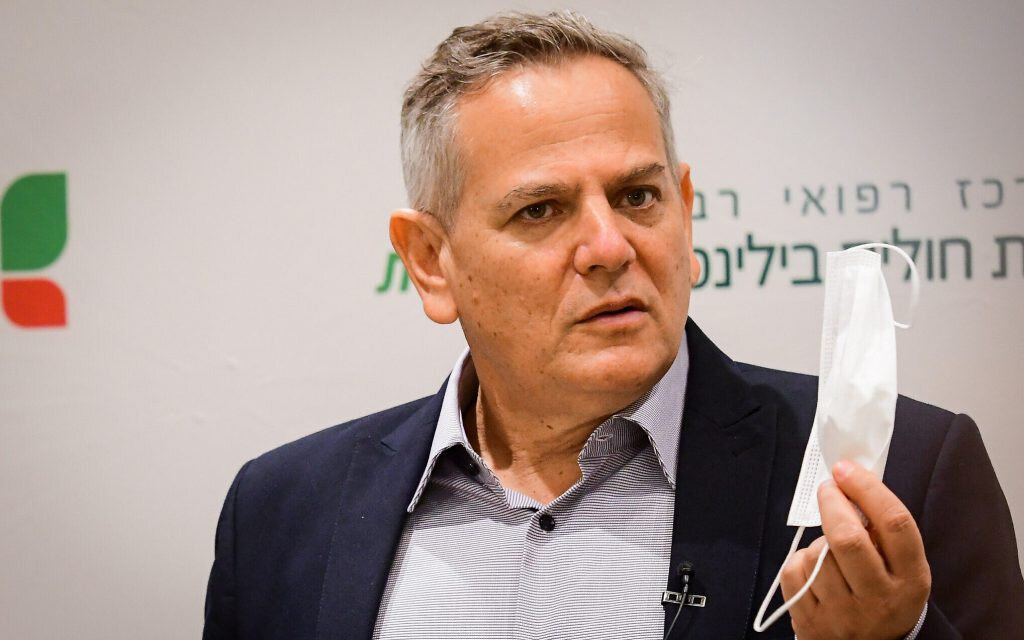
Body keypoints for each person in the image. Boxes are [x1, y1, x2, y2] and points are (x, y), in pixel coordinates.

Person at [202, 10, 1024, 639]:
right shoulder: (279, 514)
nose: (609, 247)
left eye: (637, 196)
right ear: (430, 260)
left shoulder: (904, 476)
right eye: (540, 209)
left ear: (685, 210)